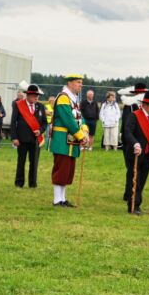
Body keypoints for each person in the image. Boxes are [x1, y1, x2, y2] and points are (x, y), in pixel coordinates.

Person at [49, 74, 89, 208]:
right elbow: (68, 120)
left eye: (81, 82)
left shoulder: (73, 99)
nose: (80, 85)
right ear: (70, 83)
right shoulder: (63, 98)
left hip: (71, 140)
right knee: (61, 168)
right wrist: (81, 136)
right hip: (62, 139)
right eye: (78, 82)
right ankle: (57, 199)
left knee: (68, 170)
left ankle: (63, 198)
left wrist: (85, 130)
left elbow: (79, 117)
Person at [120, 91, 149, 215]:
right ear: (145, 105)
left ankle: (137, 204)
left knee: (142, 180)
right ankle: (133, 206)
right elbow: (128, 132)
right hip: (135, 153)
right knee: (134, 179)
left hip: (147, 155)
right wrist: (135, 143)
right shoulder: (134, 116)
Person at [11, 85, 47, 189]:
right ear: (28, 95)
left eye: (37, 96)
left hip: (35, 140)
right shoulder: (18, 105)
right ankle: (19, 183)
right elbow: (14, 122)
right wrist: (14, 137)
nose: (36, 98)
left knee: (34, 162)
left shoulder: (40, 106)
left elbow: (45, 123)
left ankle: (32, 184)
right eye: (34, 95)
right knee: (21, 161)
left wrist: (40, 131)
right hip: (21, 139)